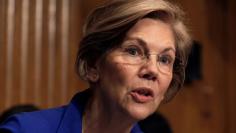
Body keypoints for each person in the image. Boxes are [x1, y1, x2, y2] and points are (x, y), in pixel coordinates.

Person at [0, 0, 191, 132]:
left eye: (165, 60)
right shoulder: (25, 130)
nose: (152, 70)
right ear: (93, 64)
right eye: (133, 51)